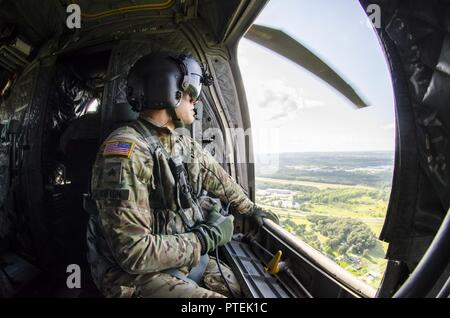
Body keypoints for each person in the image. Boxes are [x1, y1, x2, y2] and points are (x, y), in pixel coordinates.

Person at [86, 52, 279, 298]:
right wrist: (205, 238)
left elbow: (218, 179)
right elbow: (132, 253)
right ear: (167, 90)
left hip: (178, 255)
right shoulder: (125, 151)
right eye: (191, 94)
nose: (195, 102)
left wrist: (250, 209)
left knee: (248, 292)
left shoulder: (180, 143)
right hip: (132, 275)